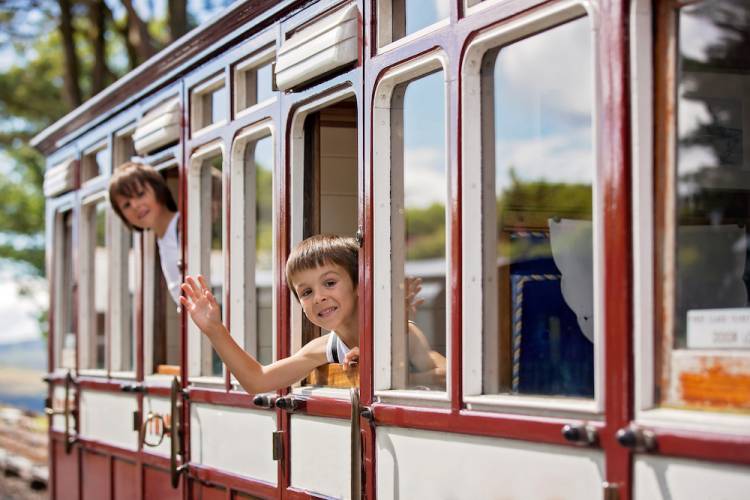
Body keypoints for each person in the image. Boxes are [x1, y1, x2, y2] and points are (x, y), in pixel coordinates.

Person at [180, 234, 446, 394]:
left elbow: (442, 376)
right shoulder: (324, 348)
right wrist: (215, 330)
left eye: (329, 283)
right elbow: (257, 381)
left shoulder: (401, 330)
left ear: (358, 286)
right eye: (306, 292)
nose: (318, 297)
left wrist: (384, 352)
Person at [108, 162, 182, 304]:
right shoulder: (163, 240)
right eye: (126, 205)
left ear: (159, 190)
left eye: (140, 194)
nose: (135, 206)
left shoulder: (183, 229)